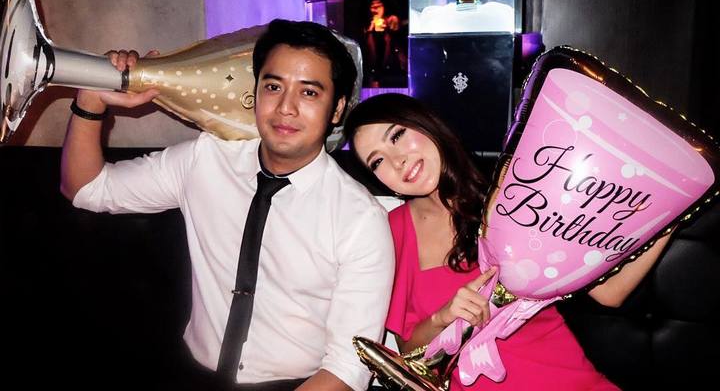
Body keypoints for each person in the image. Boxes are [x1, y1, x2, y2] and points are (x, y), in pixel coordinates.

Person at [60, 19, 395, 391]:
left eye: (309, 93)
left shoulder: (359, 218)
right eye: (273, 86)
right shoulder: (205, 159)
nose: (286, 107)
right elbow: (87, 189)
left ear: (337, 109)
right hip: (189, 374)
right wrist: (90, 99)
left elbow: (349, 366)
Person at [343, 93, 674, 390]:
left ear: (427, 124)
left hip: (565, 379)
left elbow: (609, 292)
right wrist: (443, 316)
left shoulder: (511, 186)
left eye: (397, 136)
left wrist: (670, 212)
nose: (397, 161)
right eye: (377, 161)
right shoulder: (393, 230)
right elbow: (407, 350)